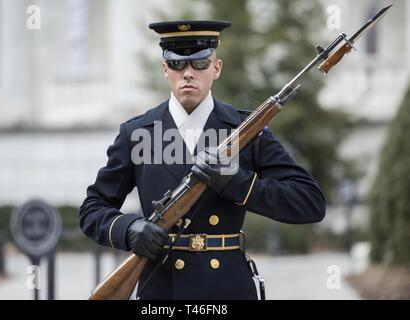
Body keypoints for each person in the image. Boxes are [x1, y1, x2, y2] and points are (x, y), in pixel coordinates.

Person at [79, 20, 326, 300]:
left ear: (216, 68)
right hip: (162, 290)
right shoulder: (137, 133)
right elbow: (92, 209)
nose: (187, 74)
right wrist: (130, 229)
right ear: (164, 70)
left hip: (226, 290)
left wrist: (235, 182)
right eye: (176, 64)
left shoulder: (246, 130)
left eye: (199, 64)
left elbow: (310, 202)